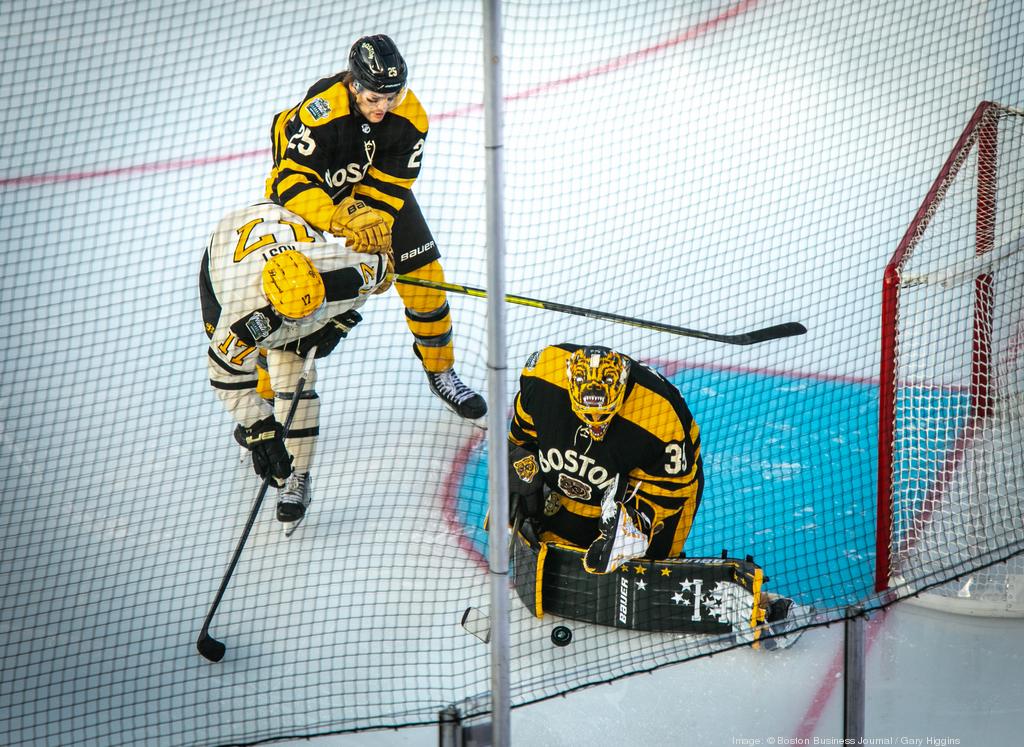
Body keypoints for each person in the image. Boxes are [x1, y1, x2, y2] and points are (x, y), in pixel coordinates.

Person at [264, 33, 486, 423]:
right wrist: (337, 217)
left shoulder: (410, 117)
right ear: (354, 85)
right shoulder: (322, 111)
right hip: (308, 197)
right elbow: (291, 183)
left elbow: (387, 189)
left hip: (363, 193)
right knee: (292, 293)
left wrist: (378, 239)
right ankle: (266, 396)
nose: (383, 107)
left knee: (425, 278)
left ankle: (441, 370)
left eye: (392, 97)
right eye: (374, 99)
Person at [199, 200, 389, 525]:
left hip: (281, 238)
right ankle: (265, 396)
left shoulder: (341, 266)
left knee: (295, 376)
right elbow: (225, 375)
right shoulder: (240, 310)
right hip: (225, 259)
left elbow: (384, 268)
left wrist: (336, 319)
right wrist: (257, 424)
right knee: (252, 358)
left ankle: (298, 476)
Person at [507, 343, 704, 574]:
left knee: (650, 561)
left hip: (655, 480)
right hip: (587, 477)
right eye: (587, 413)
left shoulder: (660, 417)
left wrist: (634, 527)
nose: (595, 421)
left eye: (604, 413)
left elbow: (673, 491)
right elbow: (523, 437)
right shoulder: (542, 378)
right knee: (562, 540)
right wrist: (520, 476)